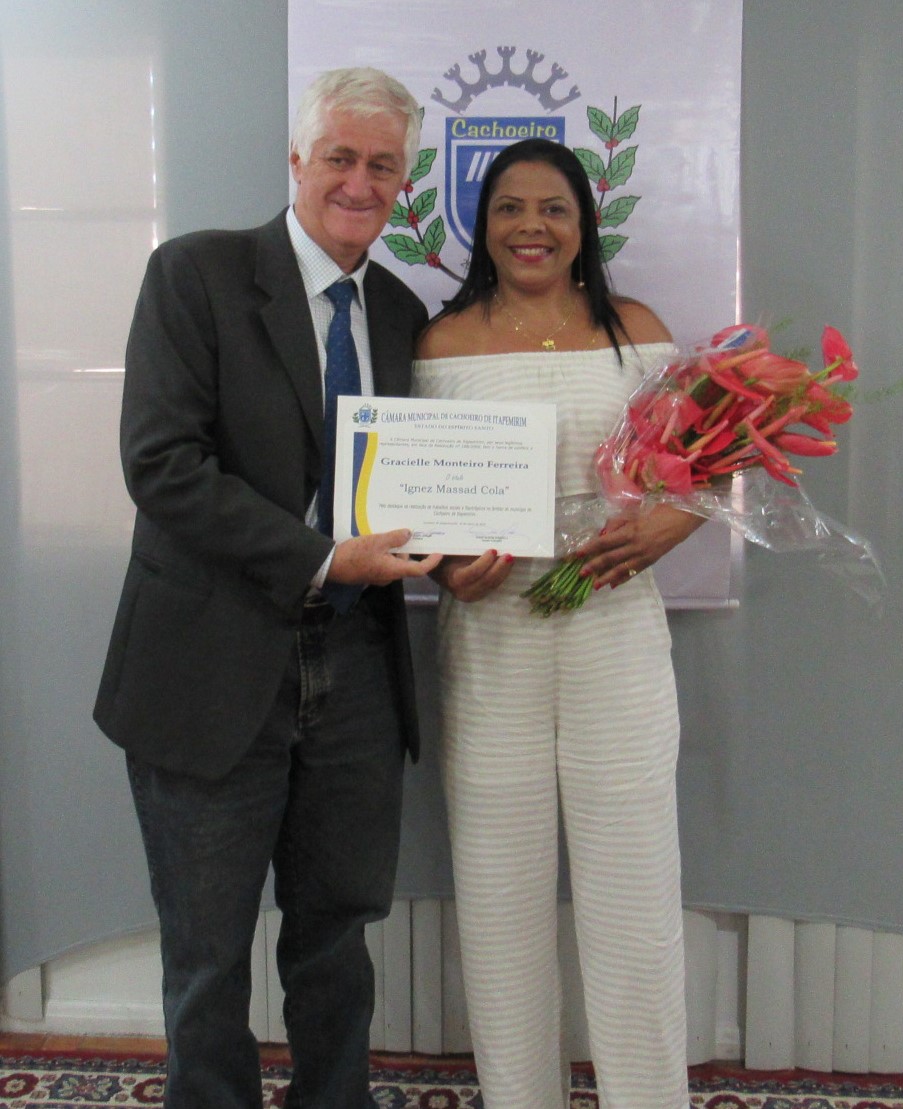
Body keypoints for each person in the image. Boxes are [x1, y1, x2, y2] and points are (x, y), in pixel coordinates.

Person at [94, 67, 440, 1109]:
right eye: (339, 156)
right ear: (296, 159)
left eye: (383, 164)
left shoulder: (400, 310)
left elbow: (416, 480)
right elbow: (161, 464)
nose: (359, 182)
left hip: (356, 670)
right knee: (206, 956)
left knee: (335, 938)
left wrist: (464, 544)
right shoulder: (196, 273)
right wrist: (323, 558)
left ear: (405, 181)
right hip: (211, 664)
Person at [413, 137, 705, 1109]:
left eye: (552, 208)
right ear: (480, 224)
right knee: (499, 904)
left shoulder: (636, 330)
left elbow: (702, 469)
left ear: (584, 225)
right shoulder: (439, 345)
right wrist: (445, 566)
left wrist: (672, 521)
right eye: (508, 207)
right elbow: (417, 496)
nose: (529, 226)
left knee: (632, 899)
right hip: (488, 642)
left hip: (613, 633)